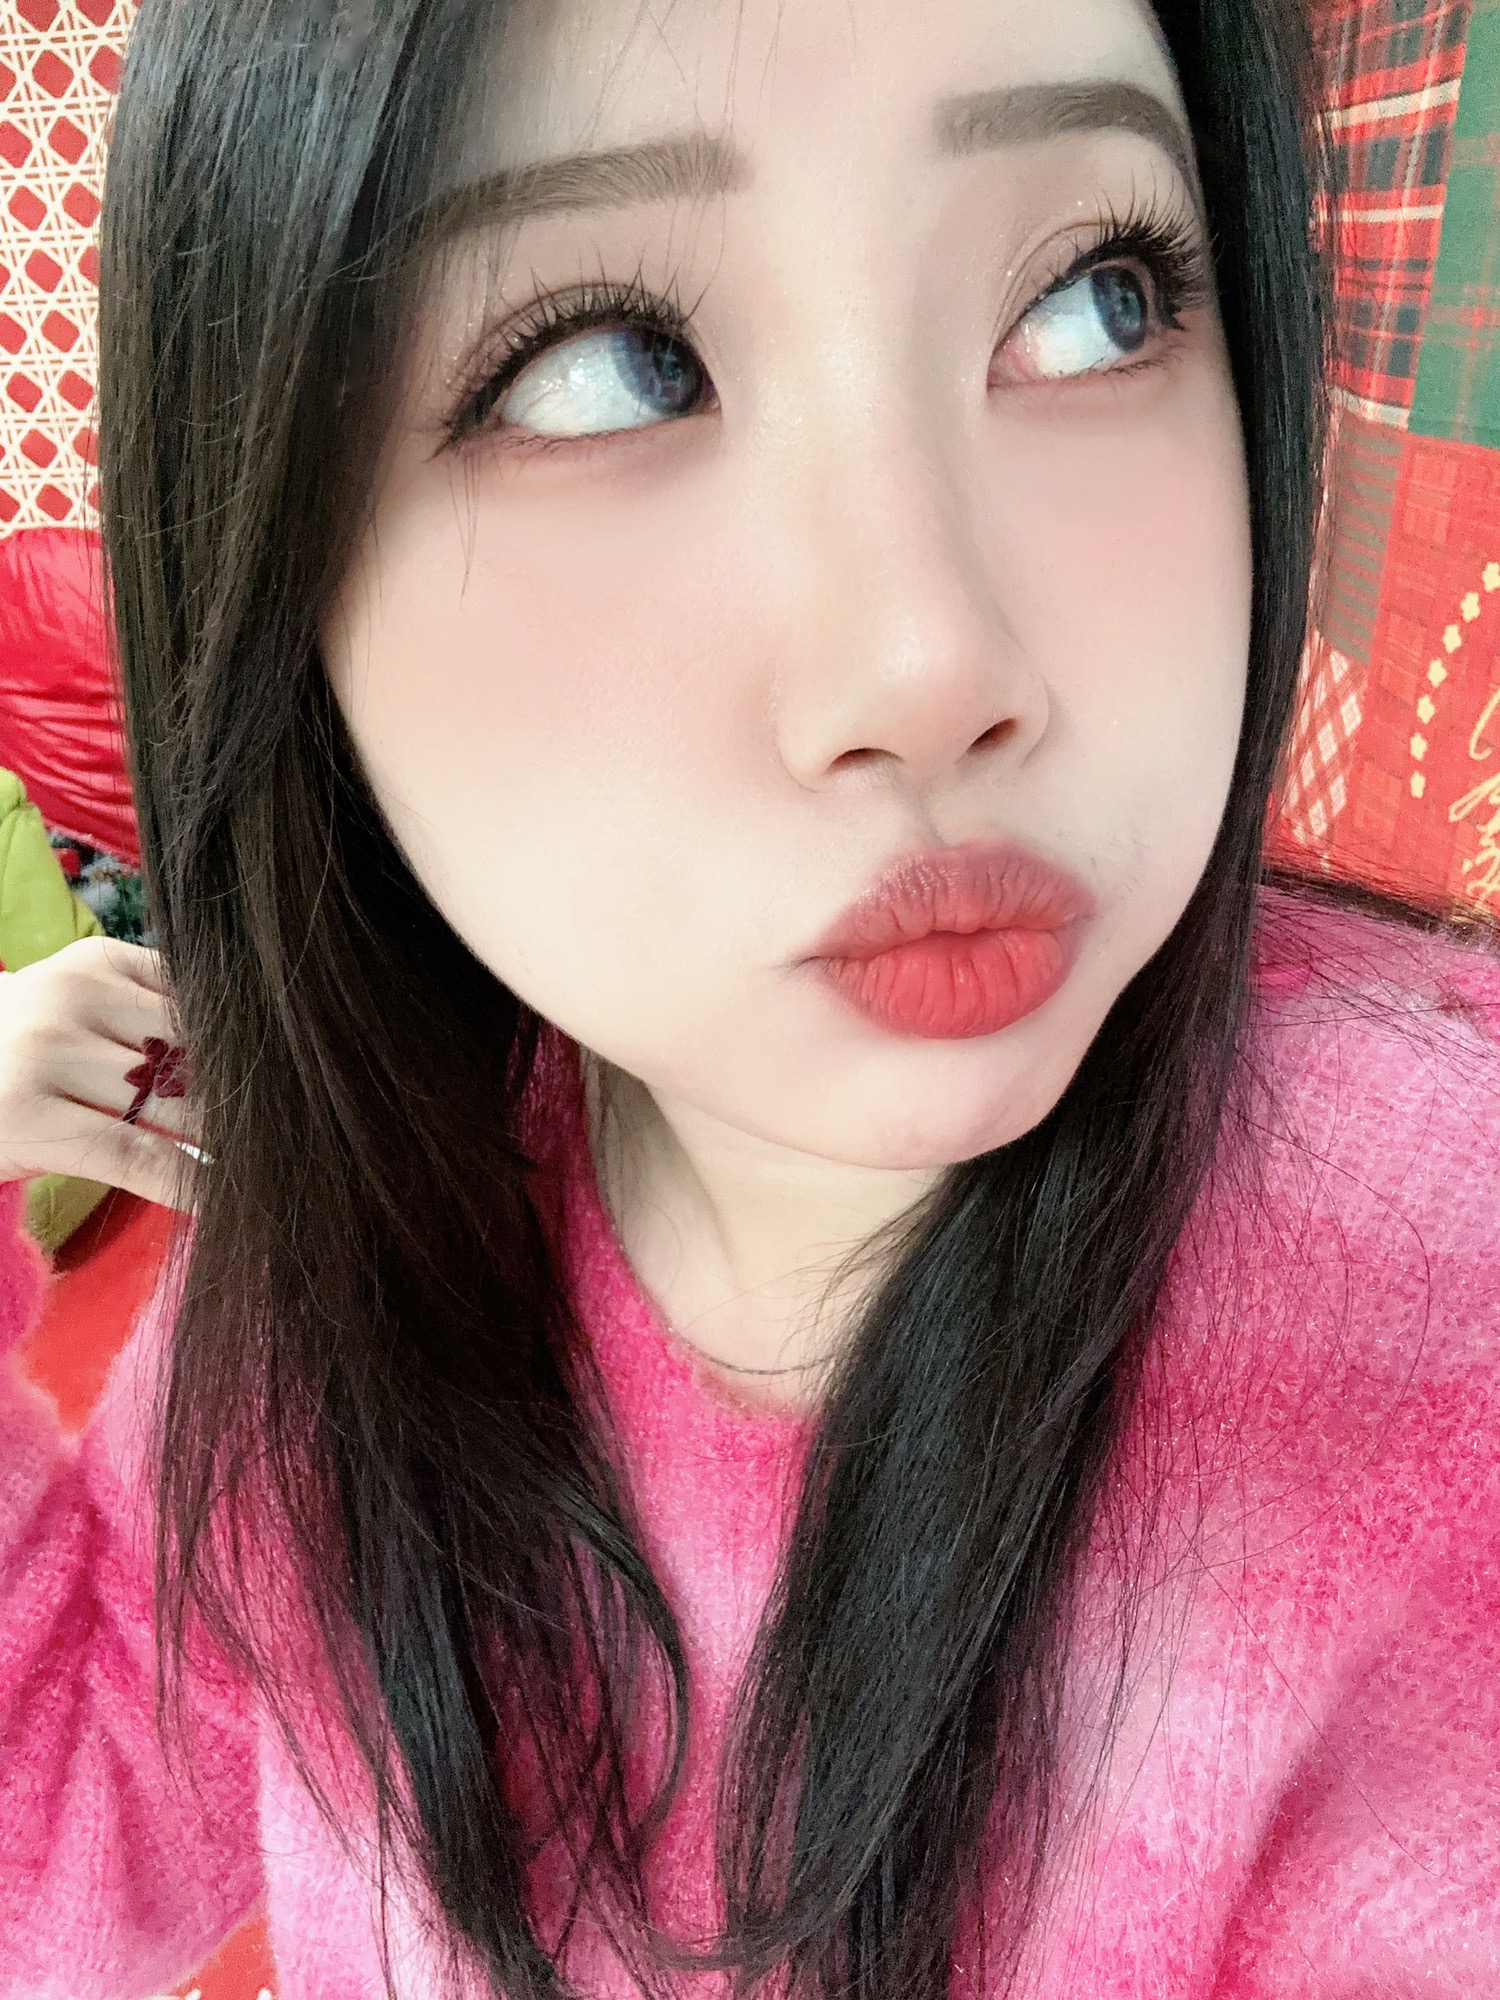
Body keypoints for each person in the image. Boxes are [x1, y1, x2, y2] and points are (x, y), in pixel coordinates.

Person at [1, 0, 1498, 1995]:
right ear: (281, 576)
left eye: (1095, 300)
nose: (933, 666)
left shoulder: (1440, 1321)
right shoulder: (354, 1259)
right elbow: (56, 1858)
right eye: (609, 365)